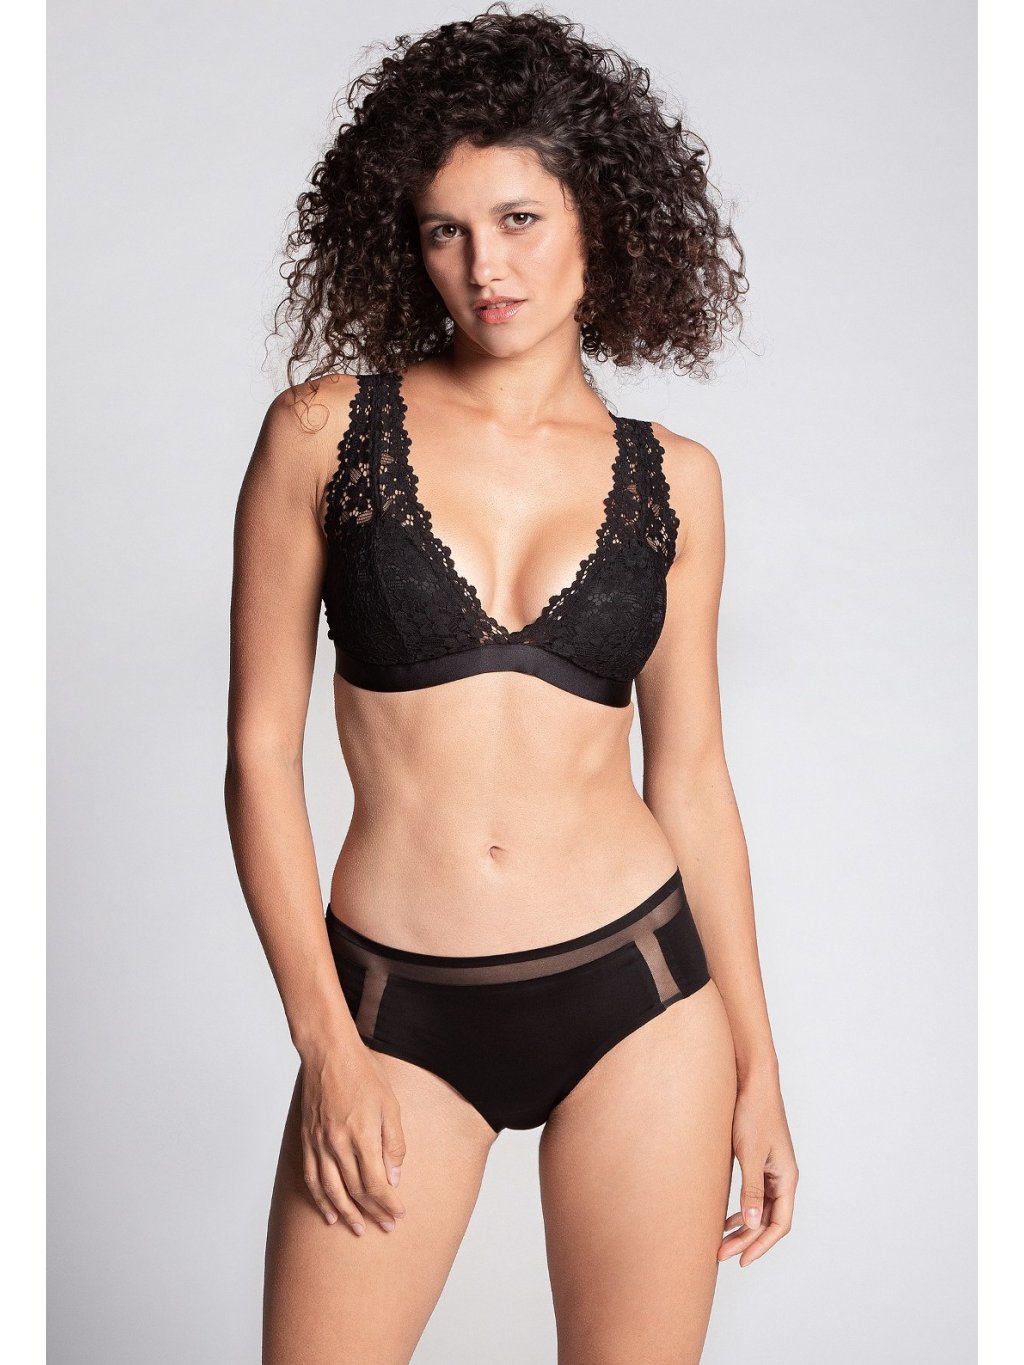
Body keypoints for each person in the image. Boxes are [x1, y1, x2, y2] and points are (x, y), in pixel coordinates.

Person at [225, 6, 798, 1362]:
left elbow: (693, 779)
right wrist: (327, 1045)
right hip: (394, 1010)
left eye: (521, 219)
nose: (486, 266)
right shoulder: (323, 432)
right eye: (447, 230)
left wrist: (760, 1064)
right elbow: (257, 757)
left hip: (642, 995)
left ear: (599, 218)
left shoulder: (681, 480)